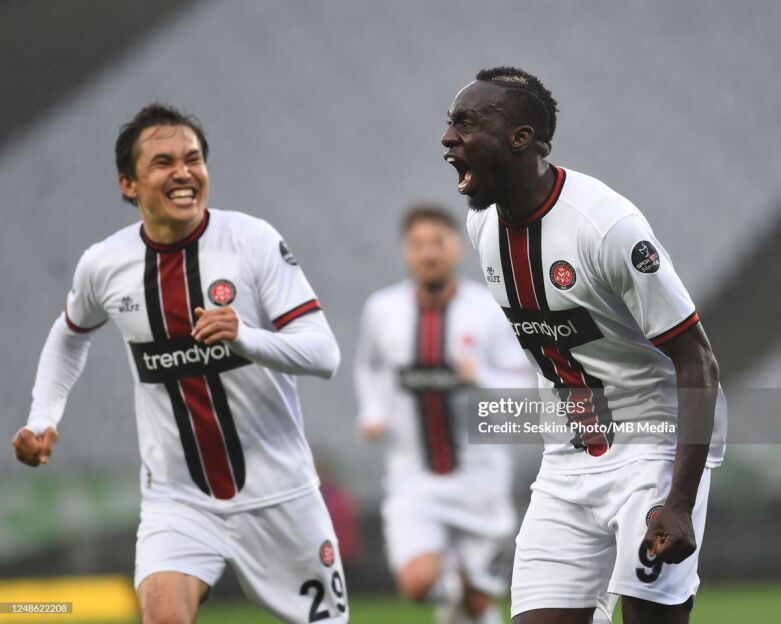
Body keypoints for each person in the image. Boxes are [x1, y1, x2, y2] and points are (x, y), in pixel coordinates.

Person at [12, 103, 349, 624]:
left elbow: (324, 354)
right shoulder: (105, 264)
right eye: (163, 162)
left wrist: (246, 338)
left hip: (280, 495)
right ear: (128, 184)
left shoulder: (253, 241)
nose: (184, 172)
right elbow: (68, 335)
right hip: (178, 499)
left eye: (193, 159)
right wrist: (42, 417)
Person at [441, 67, 726, 624]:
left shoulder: (606, 228)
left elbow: (698, 360)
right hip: (566, 459)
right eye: (451, 123)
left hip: (654, 448)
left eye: (466, 124)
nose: (448, 138)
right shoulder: (483, 229)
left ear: (521, 138)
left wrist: (679, 500)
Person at [354, 204, 537, 624]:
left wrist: (480, 376)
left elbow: (522, 385)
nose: (428, 253)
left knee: (478, 601)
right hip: (413, 474)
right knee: (417, 584)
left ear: (456, 248)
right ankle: (455, 581)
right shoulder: (382, 309)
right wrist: (372, 410)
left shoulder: (489, 310)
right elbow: (370, 366)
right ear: (406, 251)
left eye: (437, 243)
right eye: (418, 244)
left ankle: (465, 592)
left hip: (480, 477)